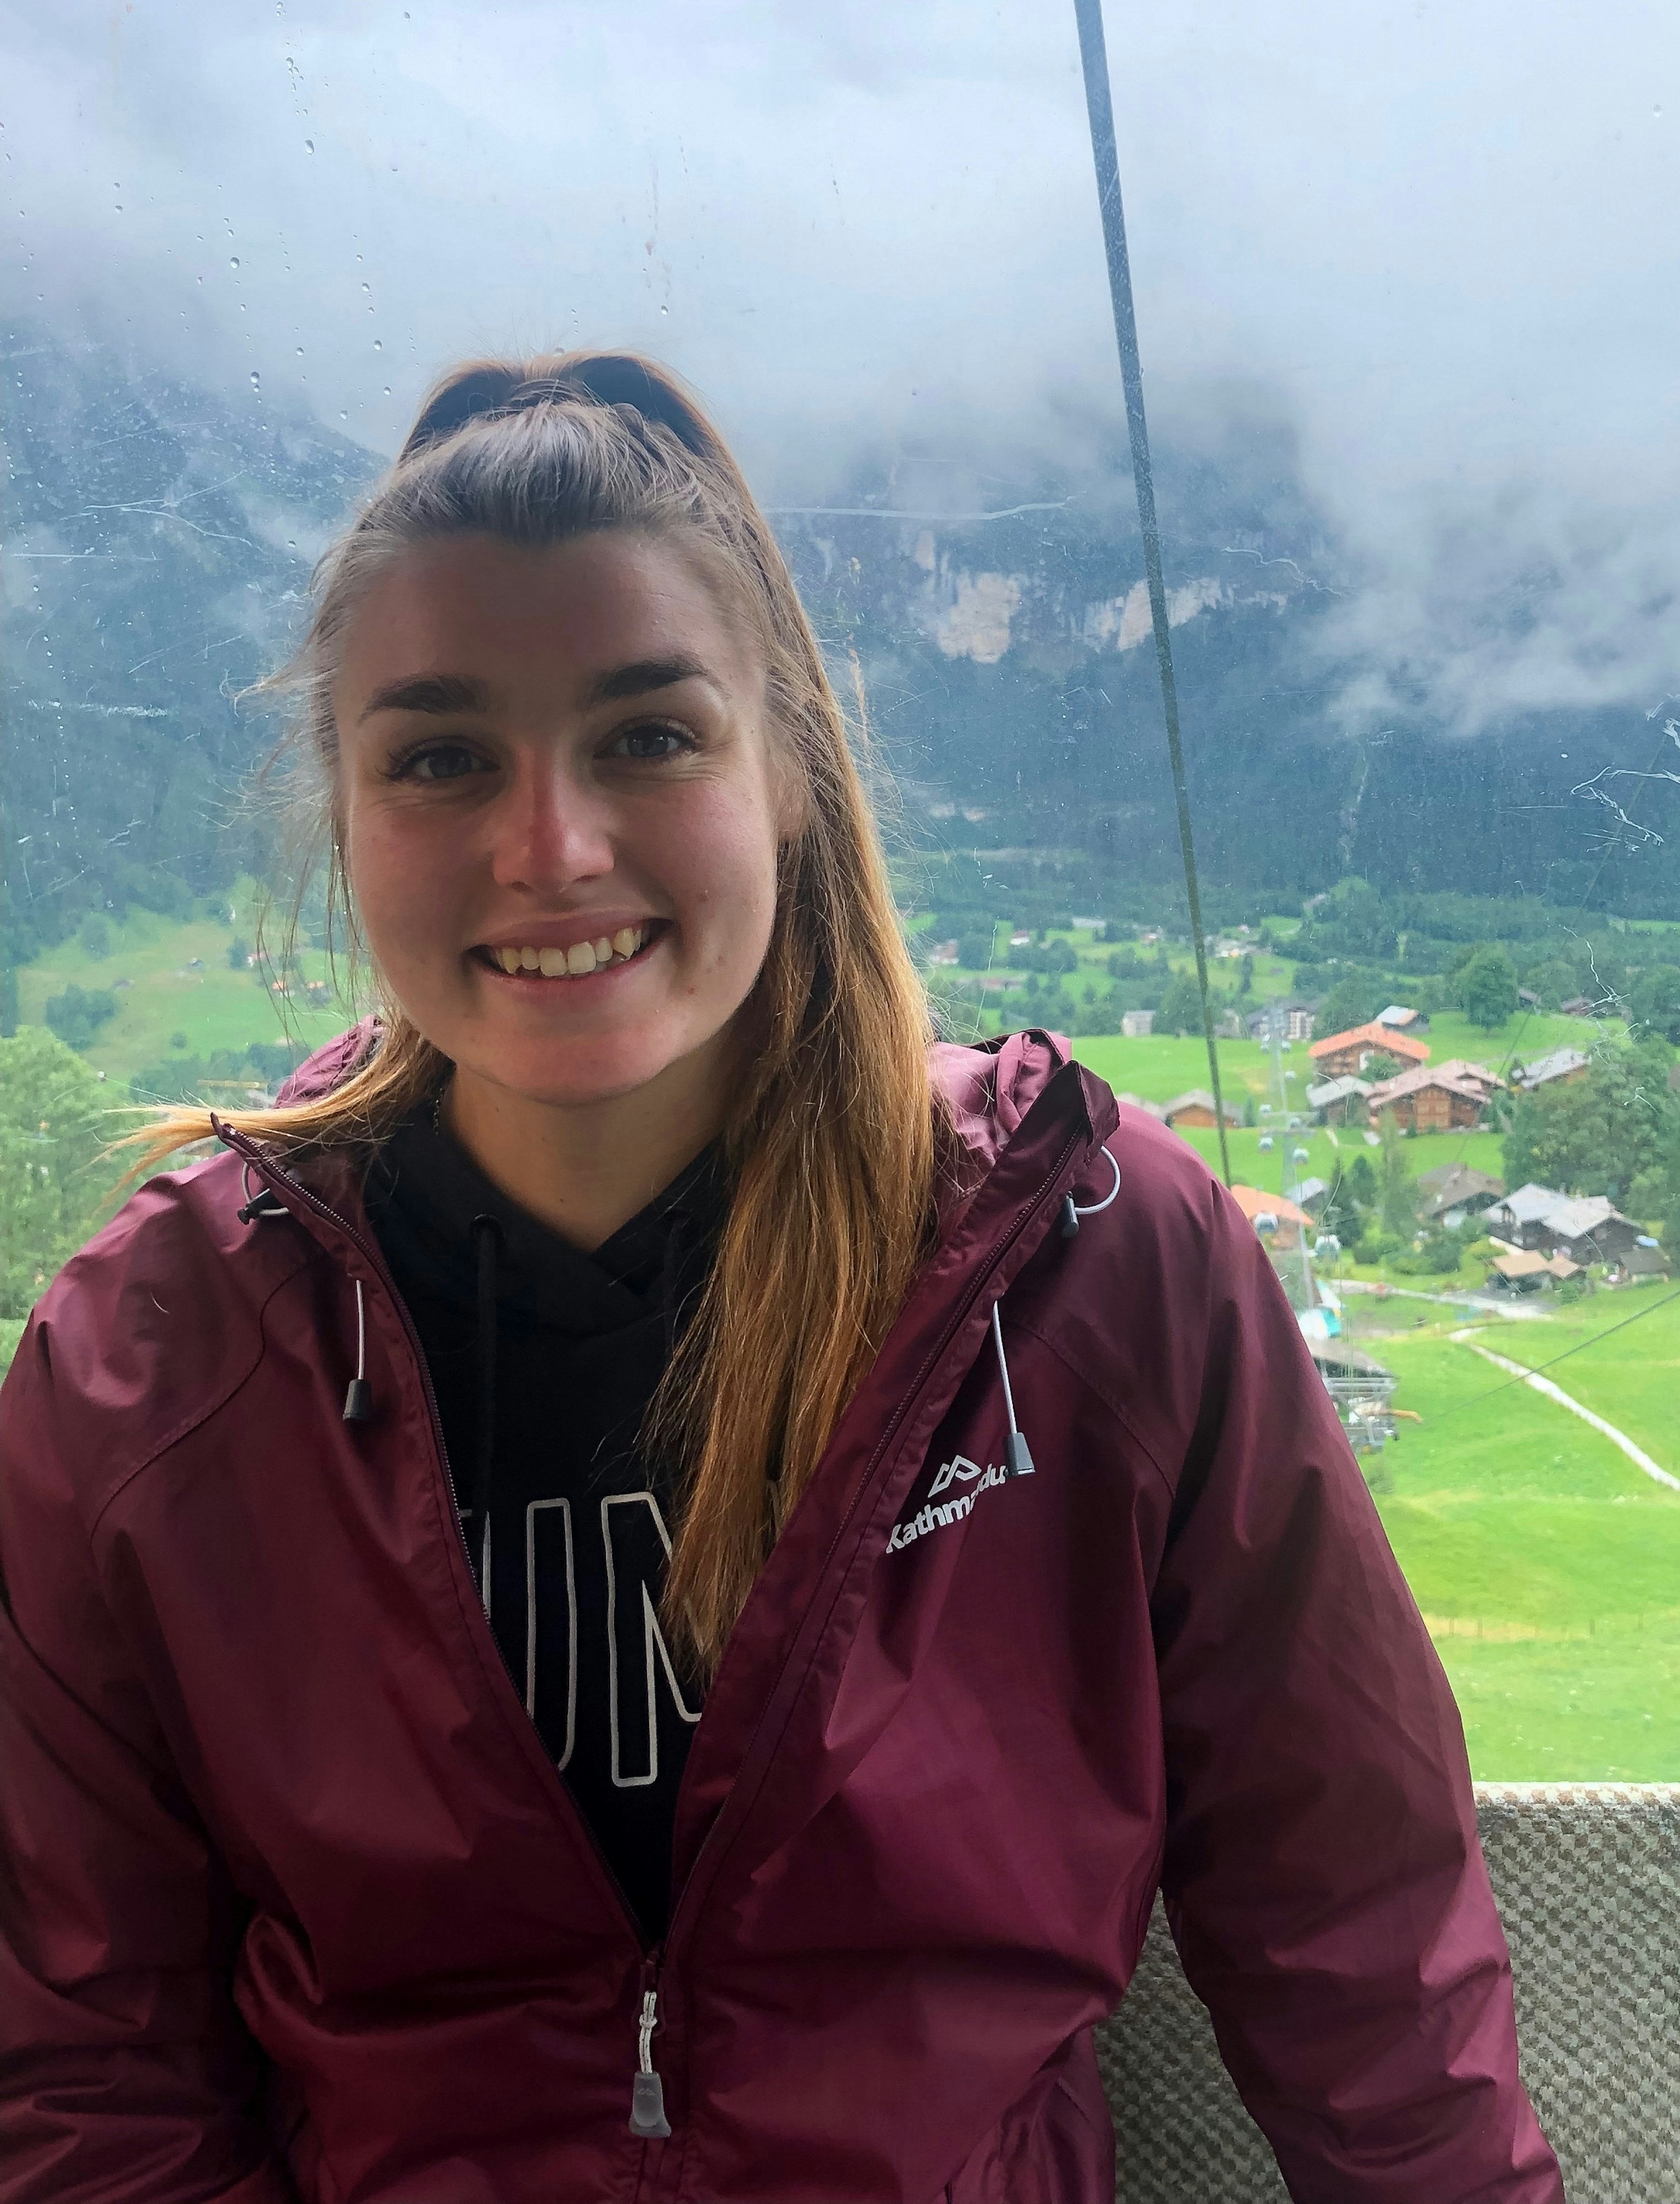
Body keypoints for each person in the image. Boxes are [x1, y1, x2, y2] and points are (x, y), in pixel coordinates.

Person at [0, 353, 1560, 2202]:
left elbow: (1357, 1935)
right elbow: (85, 2065)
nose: (549, 847)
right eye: (438, 756)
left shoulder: (1097, 1264)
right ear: (341, 819)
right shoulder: (152, 1358)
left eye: (649, 735)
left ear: (794, 774)